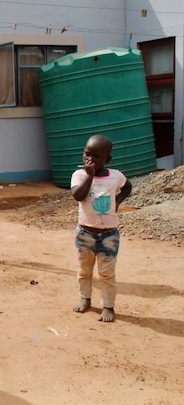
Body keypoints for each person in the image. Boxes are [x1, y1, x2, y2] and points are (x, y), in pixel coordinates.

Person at [70, 135, 132, 322]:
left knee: (107, 273)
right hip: (85, 234)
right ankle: (85, 298)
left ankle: (108, 306)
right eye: (87, 154)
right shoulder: (79, 175)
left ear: (107, 159)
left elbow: (128, 187)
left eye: (96, 156)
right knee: (84, 270)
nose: (90, 160)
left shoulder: (116, 176)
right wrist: (90, 175)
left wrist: (117, 201)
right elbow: (78, 196)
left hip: (109, 235)